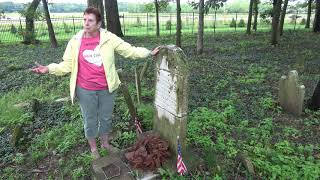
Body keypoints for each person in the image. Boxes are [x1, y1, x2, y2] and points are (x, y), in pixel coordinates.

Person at [31, 7, 160, 159]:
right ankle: (93, 149)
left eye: (90, 20)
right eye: (84, 19)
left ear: (98, 24)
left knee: (106, 118)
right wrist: (48, 68)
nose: (86, 23)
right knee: (90, 119)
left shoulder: (108, 38)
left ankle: (105, 144)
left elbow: (129, 50)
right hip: (85, 89)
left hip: (107, 88)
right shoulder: (75, 41)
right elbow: (66, 65)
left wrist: (148, 52)